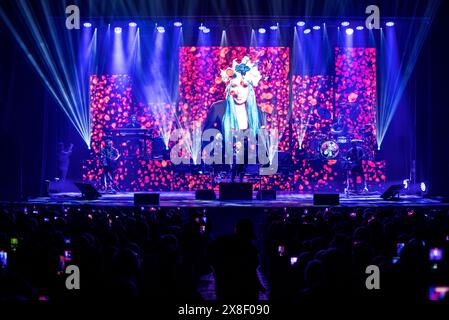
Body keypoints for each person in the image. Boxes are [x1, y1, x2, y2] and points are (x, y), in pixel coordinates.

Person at [203, 56, 267, 182]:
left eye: (243, 86)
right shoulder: (217, 108)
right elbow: (205, 135)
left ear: (250, 90)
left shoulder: (258, 112)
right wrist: (215, 139)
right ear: (229, 89)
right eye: (234, 86)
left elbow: (262, 142)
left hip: (249, 163)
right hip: (222, 163)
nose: (239, 92)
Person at [208, 218, 265, 301]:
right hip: (243, 290)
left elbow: (209, 254)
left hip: (225, 287)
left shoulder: (222, 241)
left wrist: (217, 271)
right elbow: (251, 271)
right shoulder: (250, 249)